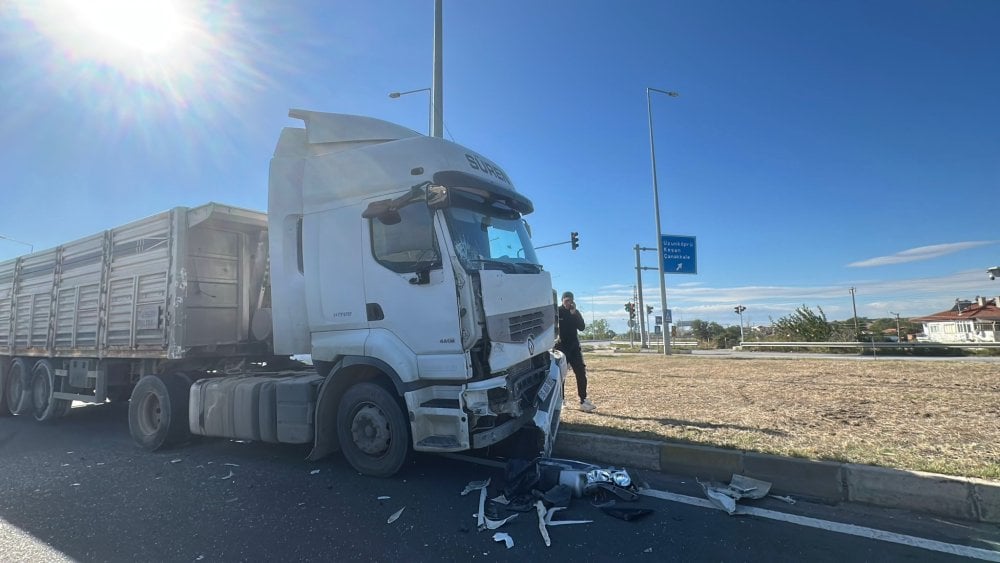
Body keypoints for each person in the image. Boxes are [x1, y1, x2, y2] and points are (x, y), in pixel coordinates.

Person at [555, 291, 596, 412]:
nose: (568, 303)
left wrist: (574, 314)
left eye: (570, 300)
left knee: (581, 372)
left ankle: (583, 400)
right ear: (562, 300)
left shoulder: (575, 312)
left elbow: (582, 327)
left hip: (574, 347)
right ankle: (561, 400)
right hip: (561, 347)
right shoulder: (557, 312)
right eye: (566, 300)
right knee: (561, 375)